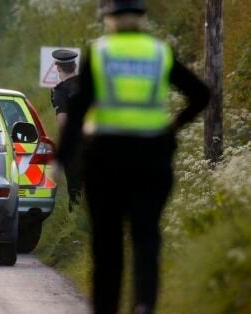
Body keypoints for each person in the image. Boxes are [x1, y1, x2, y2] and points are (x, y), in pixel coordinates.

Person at [55, 1, 210, 313]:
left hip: (106, 158)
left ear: (108, 19)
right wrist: (174, 126)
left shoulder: (100, 52)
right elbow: (201, 94)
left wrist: (62, 159)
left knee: (107, 243)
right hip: (152, 158)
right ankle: (144, 304)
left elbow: (79, 110)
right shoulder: (158, 52)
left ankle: (106, 306)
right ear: (142, 18)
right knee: (146, 237)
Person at [50, 49, 82, 211]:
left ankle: (76, 225)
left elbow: (63, 122)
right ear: (75, 65)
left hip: (76, 147)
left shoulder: (60, 92)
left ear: (57, 67)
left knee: (75, 190)